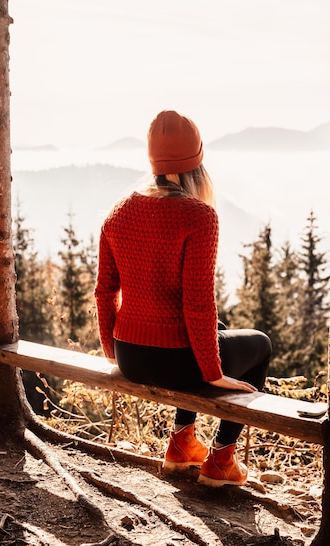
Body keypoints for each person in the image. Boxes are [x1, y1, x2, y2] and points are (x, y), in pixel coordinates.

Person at [95, 110, 272, 487]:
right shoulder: (199, 216)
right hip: (176, 364)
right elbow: (198, 303)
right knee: (260, 343)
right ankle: (222, 459)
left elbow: (104, 291)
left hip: (129, 356)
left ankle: (182, 444)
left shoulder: (117, 213)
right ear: (196, 164)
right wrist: (214, 374)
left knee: (219, 329)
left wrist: (112, 351)